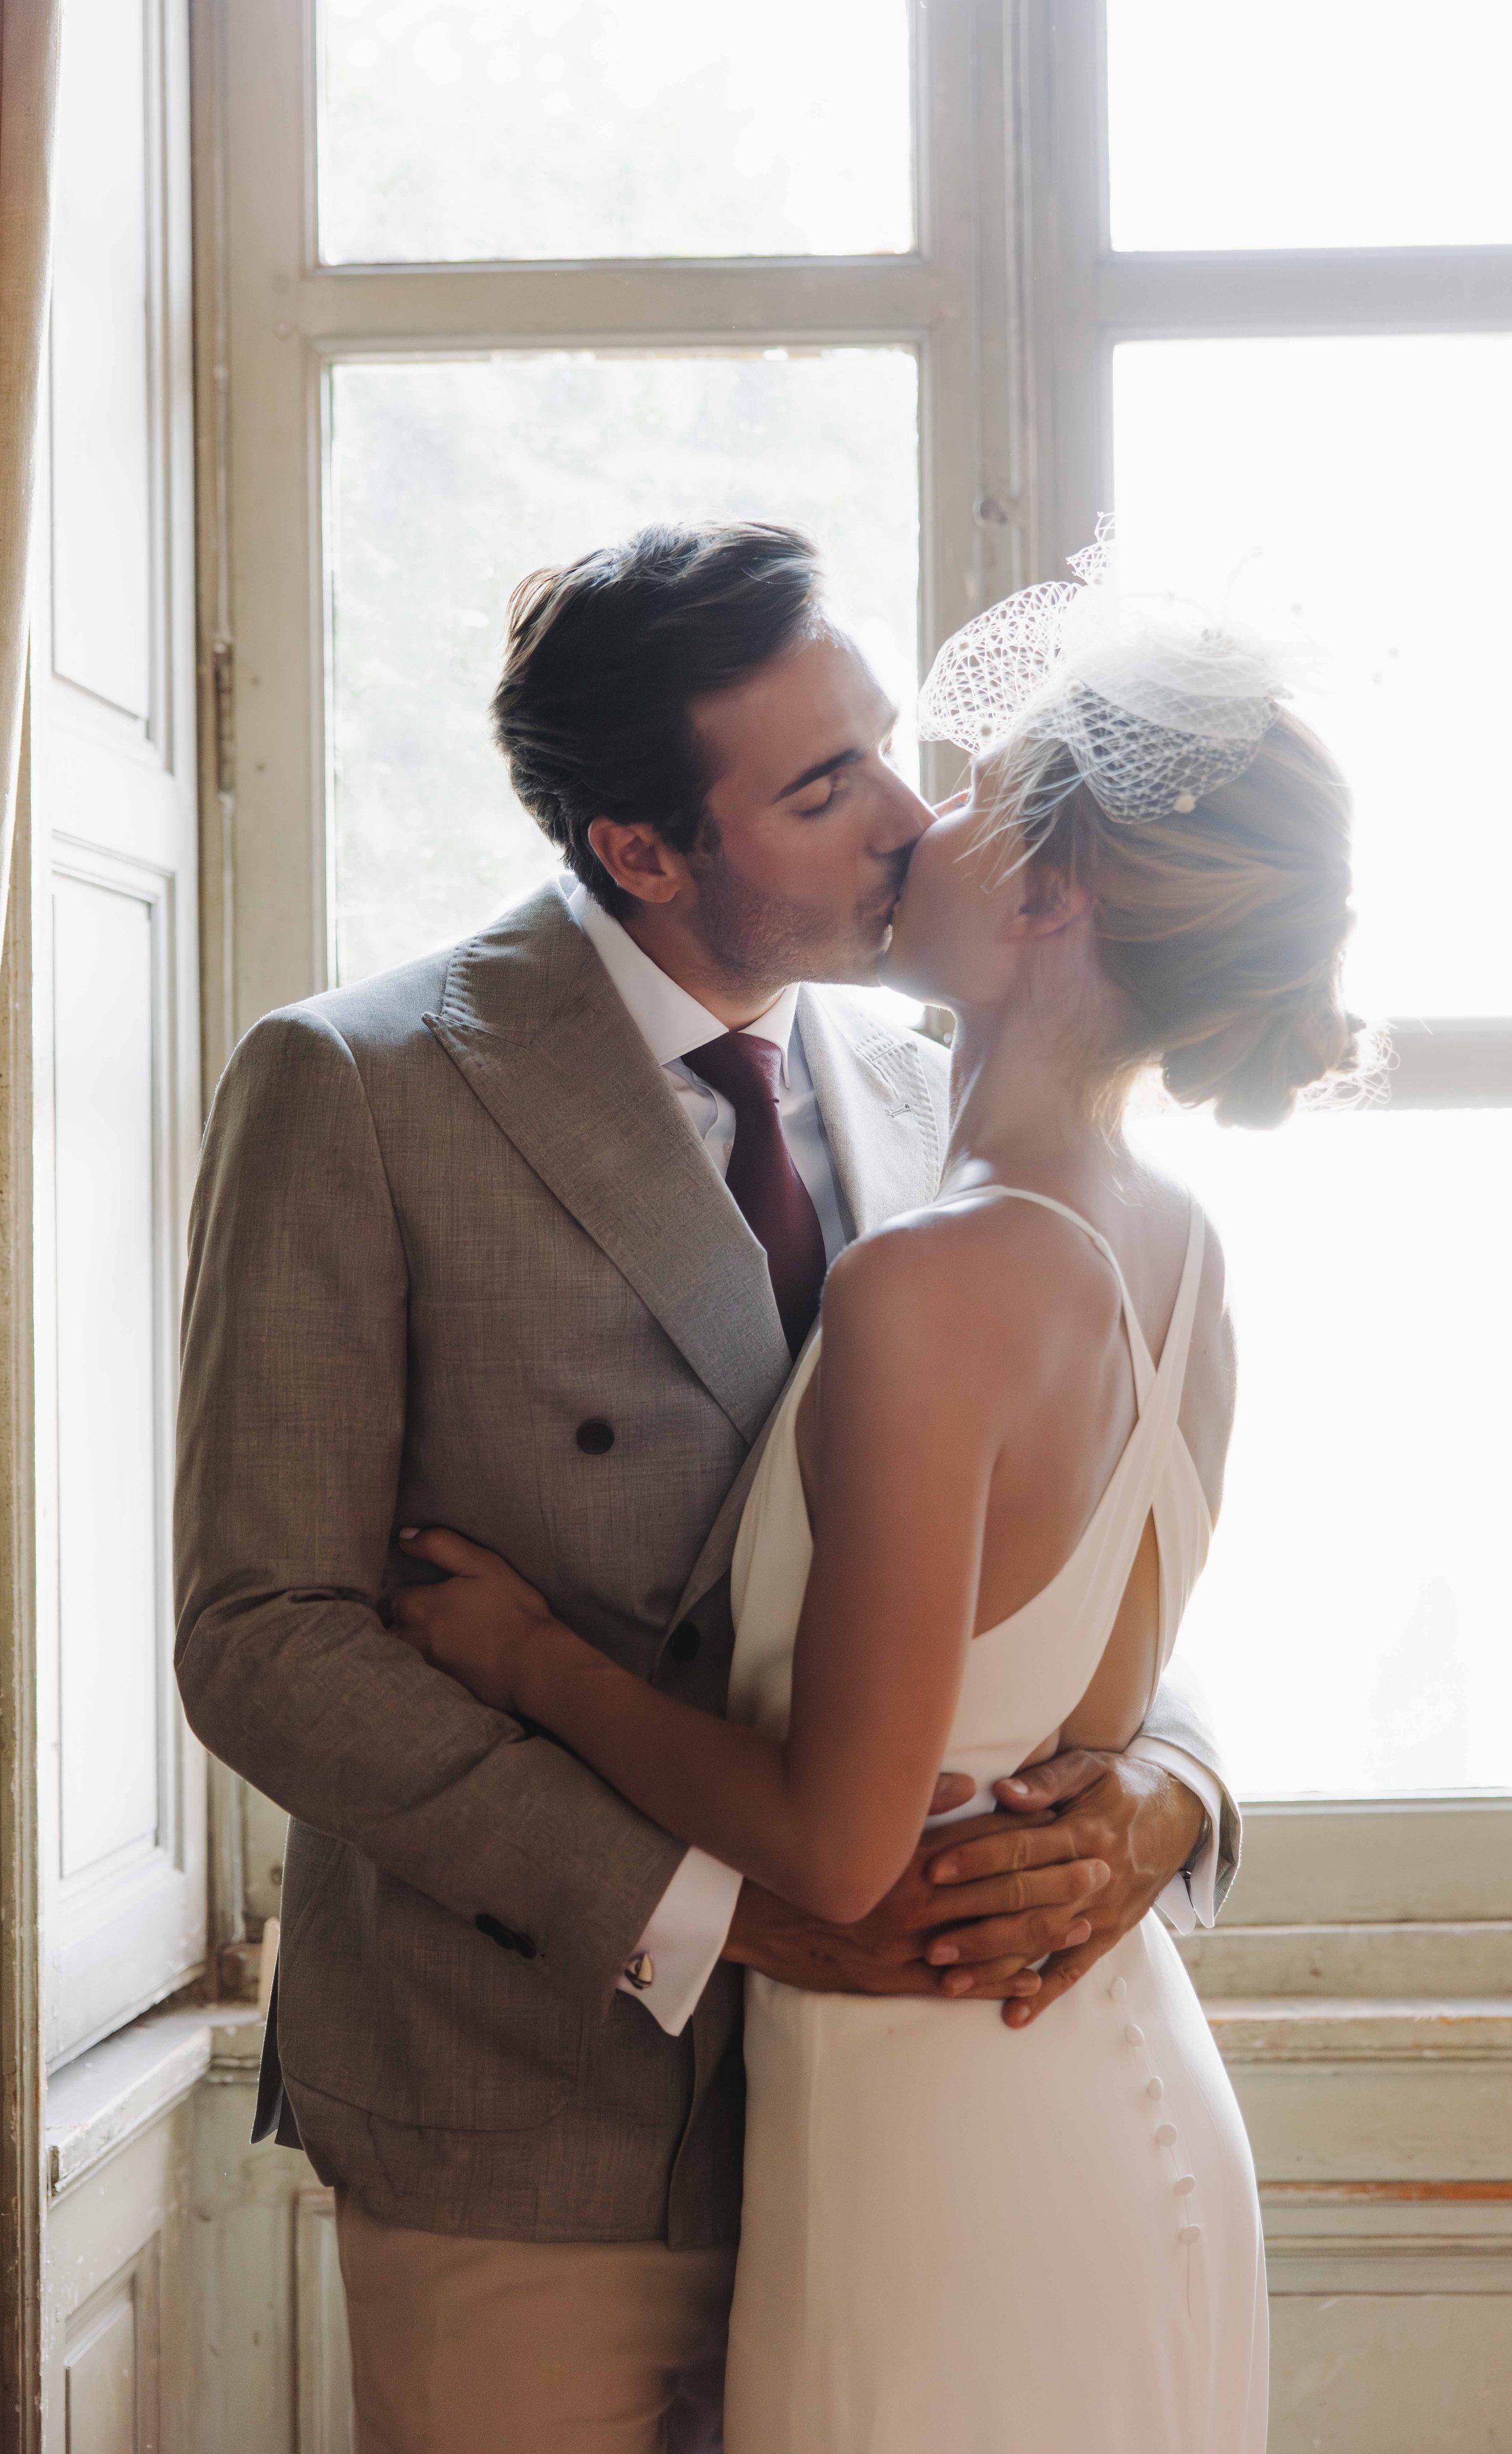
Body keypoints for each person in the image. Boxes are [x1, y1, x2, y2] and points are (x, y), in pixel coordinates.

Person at [173, 523, 1236, 2454]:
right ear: (641, 849)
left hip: (908, 2120)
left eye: (887, 747)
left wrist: (1170, 1791)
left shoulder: (940, 1090)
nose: (908, 819)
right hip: (530, 2126)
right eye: (824, 788)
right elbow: (265, 1639)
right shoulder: (359, 1085)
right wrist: (713, 1912)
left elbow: (1067, 1559)